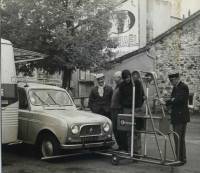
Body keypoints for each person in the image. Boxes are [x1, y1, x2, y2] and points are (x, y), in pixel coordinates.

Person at [161, 71, 190, 165]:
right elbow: (173, 99)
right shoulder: (176, 87)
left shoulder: (183, 87)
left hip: (181, 117)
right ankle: (181, 158)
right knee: (178, 138)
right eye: (170, 80)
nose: (171, 82)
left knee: (178, 138)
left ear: (177, 78)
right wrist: (169, 101)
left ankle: (180, 159)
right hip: (176, 116)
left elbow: (177, 100)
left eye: (172, 80)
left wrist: (166, 102)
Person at [118, 70, 145, 154]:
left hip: (137, 108)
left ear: (131, 76)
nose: (127, 79)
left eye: (128, 77)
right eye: (125, 78)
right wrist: (127, 105)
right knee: (129, 131)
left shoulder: (137, 83)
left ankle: (137, 151)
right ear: (123, 78)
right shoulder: (122, 85)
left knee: (137, 130)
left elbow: (142, 95)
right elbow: (121, 98)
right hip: (127, 109)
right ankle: (131, 151)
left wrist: (138, 107)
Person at [110, 71, 125, 150]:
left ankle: (123, 146)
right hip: (114, 110)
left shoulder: (122, 86)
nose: (114, 79)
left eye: (115, 77)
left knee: (119, 129)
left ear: (119, 78)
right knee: (115, 129)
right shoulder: (117, 86)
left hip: (119, 110)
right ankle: (120, 145)